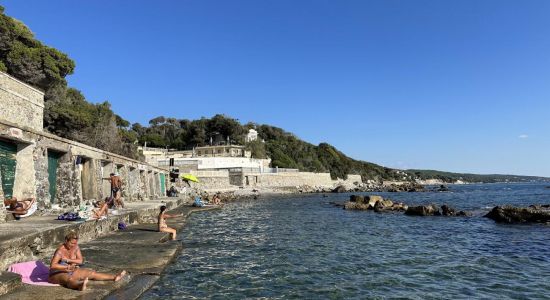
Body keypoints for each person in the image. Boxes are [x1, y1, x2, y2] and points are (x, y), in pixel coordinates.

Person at [48, 231, 126, 291]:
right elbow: (53, 266)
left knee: (91, 273)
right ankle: (79, 285)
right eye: (72, 243)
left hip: (71, 270)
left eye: (75, 243)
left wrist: (68, 260)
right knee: (70, 279)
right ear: (66, 241)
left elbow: (80, 261)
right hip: (57, 273)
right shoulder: (60, 251)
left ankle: (114, 277)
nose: (73, 245)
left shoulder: (75, 247)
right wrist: (66, 266)